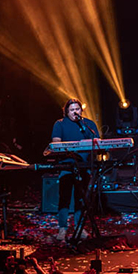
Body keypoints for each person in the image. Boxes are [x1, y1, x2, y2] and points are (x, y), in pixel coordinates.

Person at [44, 98, 100, 241]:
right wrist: (69, 148)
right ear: (66, 112)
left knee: (81, 199)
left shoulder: (88, 124)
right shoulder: (60, 124)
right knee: (65, 198)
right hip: (67, 166)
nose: (75, 112)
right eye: (72, 110)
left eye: (77, 109)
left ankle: (79, 228)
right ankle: (62, 229)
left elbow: (97, 143)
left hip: (84, 166)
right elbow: (56, 143)